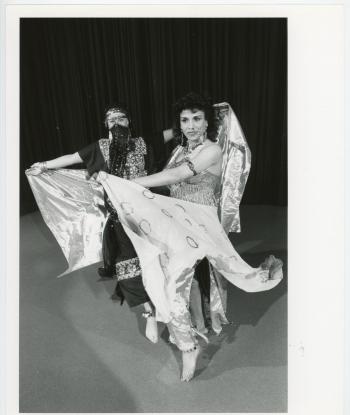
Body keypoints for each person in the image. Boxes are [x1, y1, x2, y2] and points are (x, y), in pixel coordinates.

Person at [96, 93, 283, 382]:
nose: (191, 125)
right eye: (185, 120)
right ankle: (178, 329)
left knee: (179, 284)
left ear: (207, 122)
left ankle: (188, 346)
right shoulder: (180, 150)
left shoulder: (211, 151)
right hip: (175, 221)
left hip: (199, 225)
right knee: (159, 277)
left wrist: (125, 183)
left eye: (197, 119)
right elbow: (167, 181)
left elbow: (176, 177)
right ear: (179, 124)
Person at [27, 104, 174, 344]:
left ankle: (168, 303)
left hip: (150, 215)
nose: (117, 122)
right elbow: (72, 158)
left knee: (159, 262)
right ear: (106, 126)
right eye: (111, 119)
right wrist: (44, 165)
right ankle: (149, 312)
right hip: (120, 219)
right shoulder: (99, 147)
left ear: (129, 121)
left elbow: (176, 131)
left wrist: (209, 114)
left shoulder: (144, 142)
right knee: (128, 266)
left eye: (121, 118)